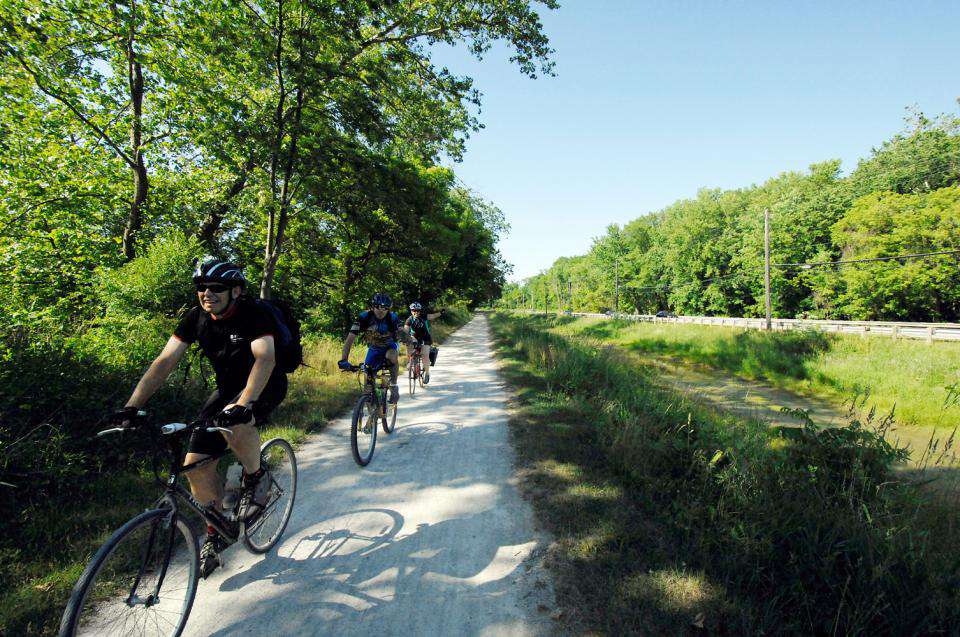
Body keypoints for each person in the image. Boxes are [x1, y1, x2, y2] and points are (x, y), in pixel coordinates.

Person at [108, 257, 287, 578]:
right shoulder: (196, 318)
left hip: (265, 384)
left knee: (236, 422)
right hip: (226, 389)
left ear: (235, 290)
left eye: (216, 288)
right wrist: (132, 406)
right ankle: (215, 532)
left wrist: (244, 403)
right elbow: (164, 362)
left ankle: (257, 478)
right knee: (194, 462)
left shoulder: (253, 314)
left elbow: (265, 359)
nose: (207, 293)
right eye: (201, 287)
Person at [339, 293, 402, 403]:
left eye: (385, 308)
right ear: (372, 307)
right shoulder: (364, 317)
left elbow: (402, 332)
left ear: (388, 309)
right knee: (367, 385)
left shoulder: (392, 317)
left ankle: (394, 386)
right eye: (378, 307)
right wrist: (344, 359)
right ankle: (371, 411)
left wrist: (409, 340)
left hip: (390, 346)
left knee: (391, 356)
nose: (381, 310)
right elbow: (349, 340)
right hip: (374, 349)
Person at [403, 302, 444, 384]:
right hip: (414, 338)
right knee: (409, 346)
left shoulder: (424, 317)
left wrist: (441, 313)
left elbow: (433, 316)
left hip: (425, 338)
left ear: (420, 311)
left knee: (425, 355)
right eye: (414, 310)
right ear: (411, 311)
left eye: (418, 311)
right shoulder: (409, 320)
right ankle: (411, 362)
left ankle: (427, 374)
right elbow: (406, 330)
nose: (416, 312)